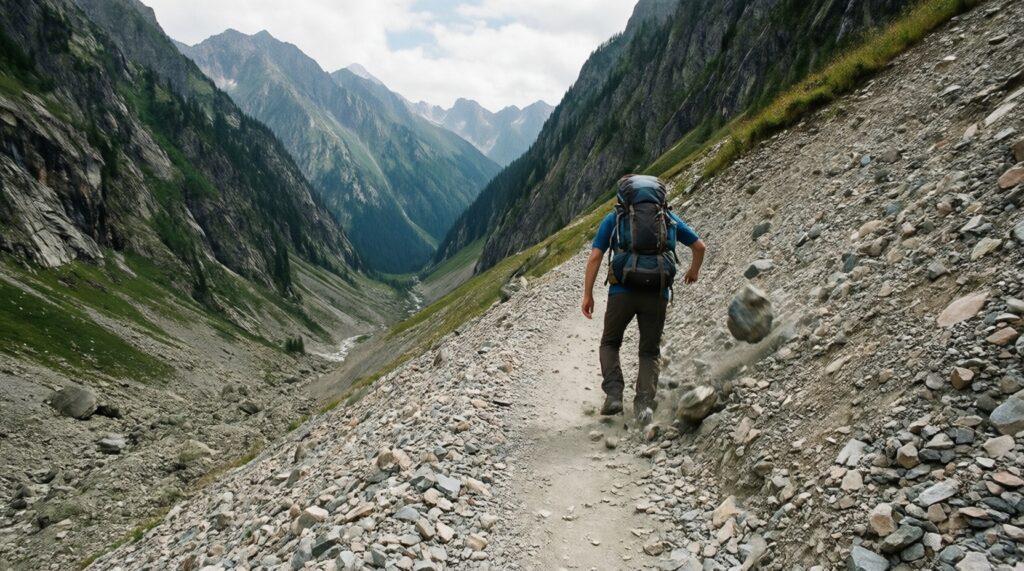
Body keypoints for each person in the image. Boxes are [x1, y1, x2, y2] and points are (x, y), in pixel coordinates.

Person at [581, 176, 705, 426]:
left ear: (624, 197)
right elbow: (699, 246)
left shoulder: (616, 218)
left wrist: (588, 294)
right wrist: (693, 271)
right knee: (649, 351)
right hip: (657, 293)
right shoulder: (667, 218)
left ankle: (614, 395)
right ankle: (643, 406)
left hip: (622, 292)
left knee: (610, 342)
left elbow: (595, 257)